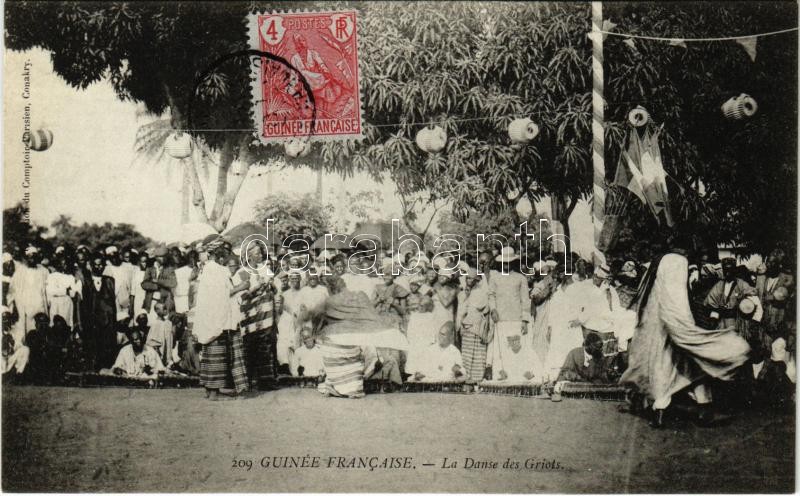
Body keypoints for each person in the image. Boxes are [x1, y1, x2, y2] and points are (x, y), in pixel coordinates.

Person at [620, 235, 750, 428]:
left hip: (657, 326)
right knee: (675, 367)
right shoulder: (676, 262)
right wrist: (687, 328)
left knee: (683, 367)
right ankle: (669, 412)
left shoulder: (661, 260)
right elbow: (676, 300)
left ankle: (699, 410)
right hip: (672, 326)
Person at [316, 276, 408, 398]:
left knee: (361, 351)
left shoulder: (332, 301)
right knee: (363, 351)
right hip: (346, 339)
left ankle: (342, 385)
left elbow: (318, 318)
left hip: (343, 340)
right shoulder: (359, 295)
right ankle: (346, 386)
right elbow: (372, 316)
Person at [193, 239, 248, 400]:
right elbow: (221, 296)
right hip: (218, 317)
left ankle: (211, 390)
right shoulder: (215, 270)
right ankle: (214, 392)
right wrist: (241, 287)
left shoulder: (210, 270)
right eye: (223, 253)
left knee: (211, 353)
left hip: (212, 317)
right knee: (217, 352)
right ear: (218, 254)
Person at [487, 247, 532, 381]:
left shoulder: (521, 278)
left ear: (513, 262)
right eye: (504, 263)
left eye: (509, 262)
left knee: (516, 348)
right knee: (501, 349)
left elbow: (525, 300)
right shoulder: (494, 278)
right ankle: (500, 374)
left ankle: (517, 376)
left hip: (516, 319)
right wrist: (493, 309)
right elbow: (491, 295)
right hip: (500, 319)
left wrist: (524, 320)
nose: (506, 265)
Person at [79, 254, 118, 370]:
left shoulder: (110, 281)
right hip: (92, 320)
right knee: (92, 346)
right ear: (91, 266)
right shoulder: (86, 281)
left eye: (101, 265)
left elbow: (112, 303)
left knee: (106, 346)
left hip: (107, 320)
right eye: (96, 265)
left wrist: (112, 320)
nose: (99, 267)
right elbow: (82, 304)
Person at [7, 246, 49, 347]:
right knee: (25, 335)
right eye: (29, 256)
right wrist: (15, 308)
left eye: (34, 256)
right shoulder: (20, 272)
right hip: (24, 309)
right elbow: (13, 292)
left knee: (40, 333)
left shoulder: (43, 271)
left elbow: (46, 291)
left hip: (40, 308)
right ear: (26, 257)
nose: (32, 258)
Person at [456, 267, 490, 381]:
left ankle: (477, 378)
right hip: (466, 325)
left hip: (476, 325)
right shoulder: (462, 293)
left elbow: (484, 308)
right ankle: (466, 377)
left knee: (478, 352)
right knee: (466, 352)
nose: (469, 280)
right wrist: (466, 295)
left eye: (472, 278)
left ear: (477, 280)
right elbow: (461, 309)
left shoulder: (481, 293)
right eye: (468, 278)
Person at [704, 258, 756, 330]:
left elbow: (752, 295)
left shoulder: (741, 284)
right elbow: (712, 303)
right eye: (726, 270)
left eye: (730, 270)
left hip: (736, 322)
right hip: (721, 322)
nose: (728, 273)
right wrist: (713, 317)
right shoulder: (719, 285)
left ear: (734, 270)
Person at [276, 270, 303, 374]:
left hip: (301, 322)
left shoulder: (304, 292)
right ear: (289, 280)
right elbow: (282, 311)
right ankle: (293, 372)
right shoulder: (285, 294)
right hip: (289, 324)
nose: (294, 280)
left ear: (300, 279)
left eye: (296, 278)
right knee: (290, 347)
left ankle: (301, 372)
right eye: (292, 279)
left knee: (300, 347)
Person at [102, 246, 133, 334]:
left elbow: (130, 285)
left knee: (127, 323)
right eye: (111, 257)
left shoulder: (125, 268)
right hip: (114, 300)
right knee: (118, 324)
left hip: (126, 298)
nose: (114, 259)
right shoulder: (108, 269)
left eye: (115, 256)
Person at [46, 256, 80, 329]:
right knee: (54, 323)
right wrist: (65, 290)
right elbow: (51, 291)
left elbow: (73, 293)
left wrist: (63, 291)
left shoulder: (70, 277)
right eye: (61, 264)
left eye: (65, 264)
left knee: (67, 323)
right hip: (55, 303)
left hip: (67, 303)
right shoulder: (51, 276)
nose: (64, 266)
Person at [141, 247, 177, 313]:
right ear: (156, 257)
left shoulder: (169, 269)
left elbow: (173, 283)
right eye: (160, 257)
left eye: (164, 257)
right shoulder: (150, 268)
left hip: (165, 302)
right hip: (151, 302)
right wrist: (158, 286)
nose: (163, 259)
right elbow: (144, 284)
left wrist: (158, 281)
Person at [145, 303, 174, 368]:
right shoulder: (155, 324)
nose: (165, 310)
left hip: (168, 353)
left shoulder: (168, 323)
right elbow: (153, 343)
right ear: (157, 311)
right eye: (163, 308)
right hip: (159, 354)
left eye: (166, 308)